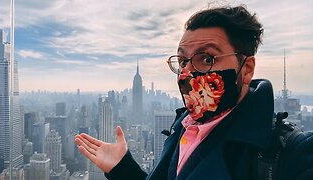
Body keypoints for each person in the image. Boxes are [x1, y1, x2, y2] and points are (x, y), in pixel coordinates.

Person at [75, 5, 313, 180]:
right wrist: (123, 168)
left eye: (207, 58)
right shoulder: (182, 126)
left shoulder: (292, 155)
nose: (187, 72)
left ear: (247, 69)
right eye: (182, 60)